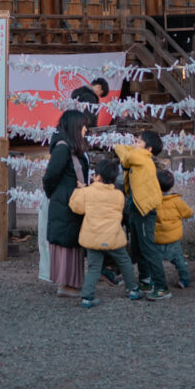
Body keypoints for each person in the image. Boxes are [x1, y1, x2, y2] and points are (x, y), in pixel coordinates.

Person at [69, 157, 143, 308]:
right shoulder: (118, 195)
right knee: (124, 261)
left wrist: (79, 190)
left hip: (93, 238)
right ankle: (133, 289)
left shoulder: (87, 192)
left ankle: (87, 298)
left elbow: (76, 207)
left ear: (97, 176)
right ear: (114, 178)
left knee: (94, 267)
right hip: (113, 237)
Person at [114, 129, 171, 301]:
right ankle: (145, 281)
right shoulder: (140, 157)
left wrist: (129, 150)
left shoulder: (141, 158)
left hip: (144, 210)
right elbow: (123, 149)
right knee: (138, 247)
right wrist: (132, 148)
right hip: (136, 209)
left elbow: (122, 153)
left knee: (148, 248)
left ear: (149, 149)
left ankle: (161, 287)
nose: (134, 145)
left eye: (139, 142)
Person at [42, 110, 89, 297]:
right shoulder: (63, 148)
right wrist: (59, 194)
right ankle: (66, 284)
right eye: (83, 125)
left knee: (71, 242)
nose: (86, 129)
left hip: (68, 201)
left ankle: (70, 283)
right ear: (75, 127)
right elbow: (50, 176)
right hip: (66, 202)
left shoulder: (69, 147)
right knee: (67, 244)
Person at [155, 169, 194, 288]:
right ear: (171, 185)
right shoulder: (177, 201)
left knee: (155, 262)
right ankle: (185, 280)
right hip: (173, 238)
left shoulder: (152, 201)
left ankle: (157, 282)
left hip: (157, 239)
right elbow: (189, 213)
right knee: (179, 260)